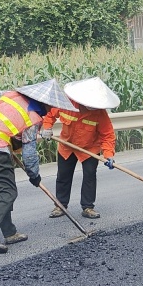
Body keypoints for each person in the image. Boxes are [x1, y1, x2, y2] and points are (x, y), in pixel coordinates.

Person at [0, 79, 77, 253]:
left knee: (0, 190)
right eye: (51, 106)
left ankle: (10, 232)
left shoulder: (9, 94)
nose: (51, 110)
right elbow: (29, 153)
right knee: (8, 192)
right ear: (45, 103)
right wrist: (34, 175)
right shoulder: (33, 119)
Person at [41, 77, 119, 220]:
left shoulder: (100, 113)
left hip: (89, 149)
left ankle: (88, 207)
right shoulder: (67, 103)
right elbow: (49, 114)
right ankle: (60, 205)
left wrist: (108, 155)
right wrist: (46, 128)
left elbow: (107, 135)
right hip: (67, 146)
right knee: (63, 177)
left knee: (89, 176)